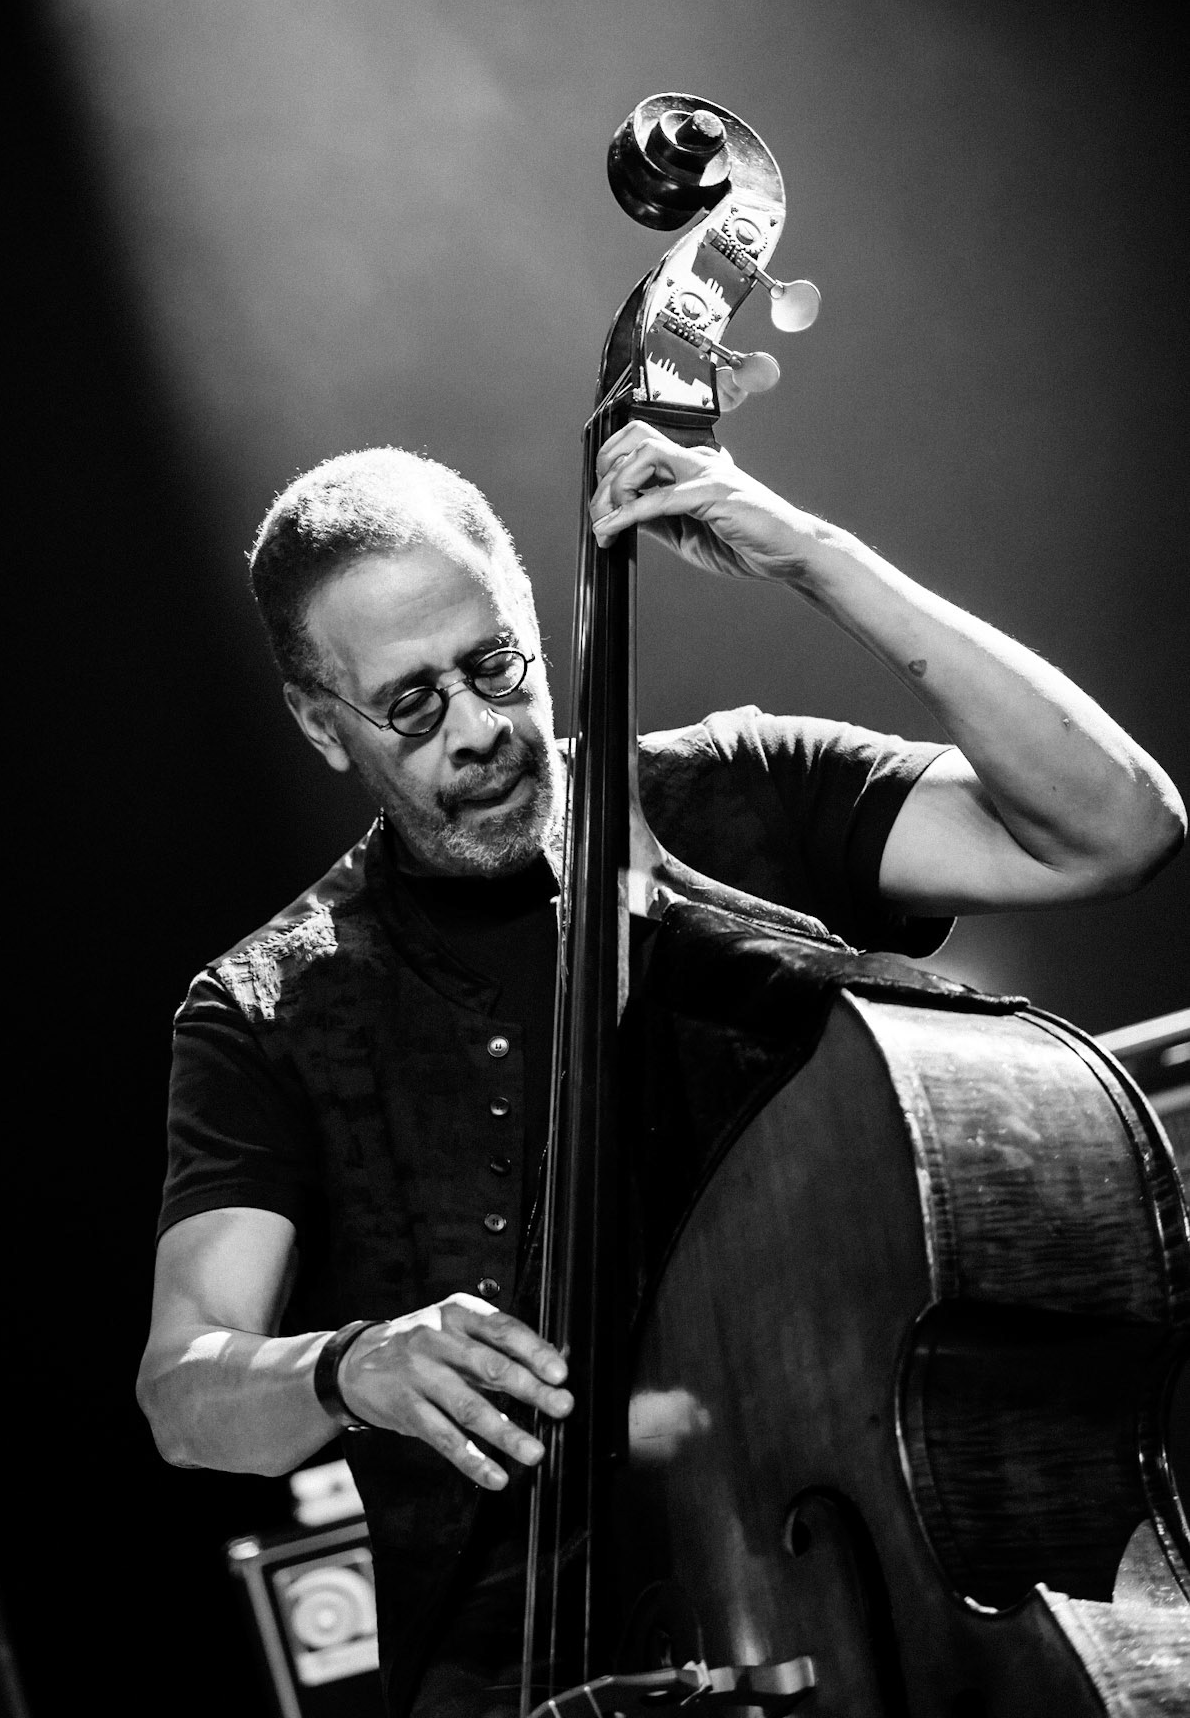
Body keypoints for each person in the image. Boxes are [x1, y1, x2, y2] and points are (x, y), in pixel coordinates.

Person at [136, 421, 1183, 1718]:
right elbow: (184, 1389)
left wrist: (816, 558)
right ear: (316, 720)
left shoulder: (736, 795)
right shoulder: (269, 1003)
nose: (476, 729)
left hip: (864, 1629)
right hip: (520, 1674)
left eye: (494, 665)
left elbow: (1114, 829)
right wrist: (347, 1367)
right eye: (410, 703)